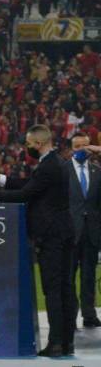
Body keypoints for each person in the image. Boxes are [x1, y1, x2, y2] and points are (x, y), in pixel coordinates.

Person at [0, 125, 74, 356]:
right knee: (65, 288)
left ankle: (57, 343)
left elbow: (26, 194)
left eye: (29, 144)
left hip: (51, 236)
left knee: (53, 289)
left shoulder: (48, 166)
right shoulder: (56, 162)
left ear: (38, 143)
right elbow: (30, 185)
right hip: (63, 232)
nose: (27, 149)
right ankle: (66, 341)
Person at [67, 133, 101, 330]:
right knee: (68, 277)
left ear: (91, 148)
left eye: (85, 146)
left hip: (91, 233)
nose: (81, 150)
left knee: (88, 276)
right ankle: (70, 315)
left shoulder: (97, 171)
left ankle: (89, 315)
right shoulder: (64, 171)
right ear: (72, 148)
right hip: (71, 232)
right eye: (77, 146)